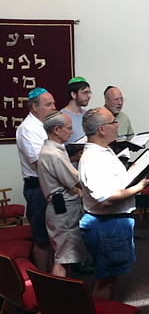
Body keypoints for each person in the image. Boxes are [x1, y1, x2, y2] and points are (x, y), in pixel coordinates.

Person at [78, 107, 149, 299]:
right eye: (113, 122)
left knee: (109, 277)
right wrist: (139, 187)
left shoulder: (104, 150)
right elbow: (106, 197)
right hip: (107, 225)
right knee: (105, 282)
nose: (117, 125)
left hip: (112, 222)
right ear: (102, 129)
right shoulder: (94, 157)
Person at [38, 111, 89, 277]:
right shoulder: (55, 155)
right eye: (69, 128)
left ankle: (63, 297)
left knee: (66, 257)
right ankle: (55, 299)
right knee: (62, 259)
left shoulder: (51, 150)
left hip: (60, 209)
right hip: (64, 211)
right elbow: (76, 181)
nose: (72, 132)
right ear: (57, 130)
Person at [16, 87, 56, 272]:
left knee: (52, 237)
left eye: (53, 103)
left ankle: (53, 278)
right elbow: (39, 162)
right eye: (48, 105)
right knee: (41, 238)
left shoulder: (45, 126)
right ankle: (43, 282)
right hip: (37, 187)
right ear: (34, 107)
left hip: (51, 185)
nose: (53, 108)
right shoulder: (28, 129)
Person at [61, 76, 92, 145]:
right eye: (85, 92)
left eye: (89, 92)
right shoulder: (62, 116)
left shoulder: (88, 115)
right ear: (74, 94)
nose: (89, 96)